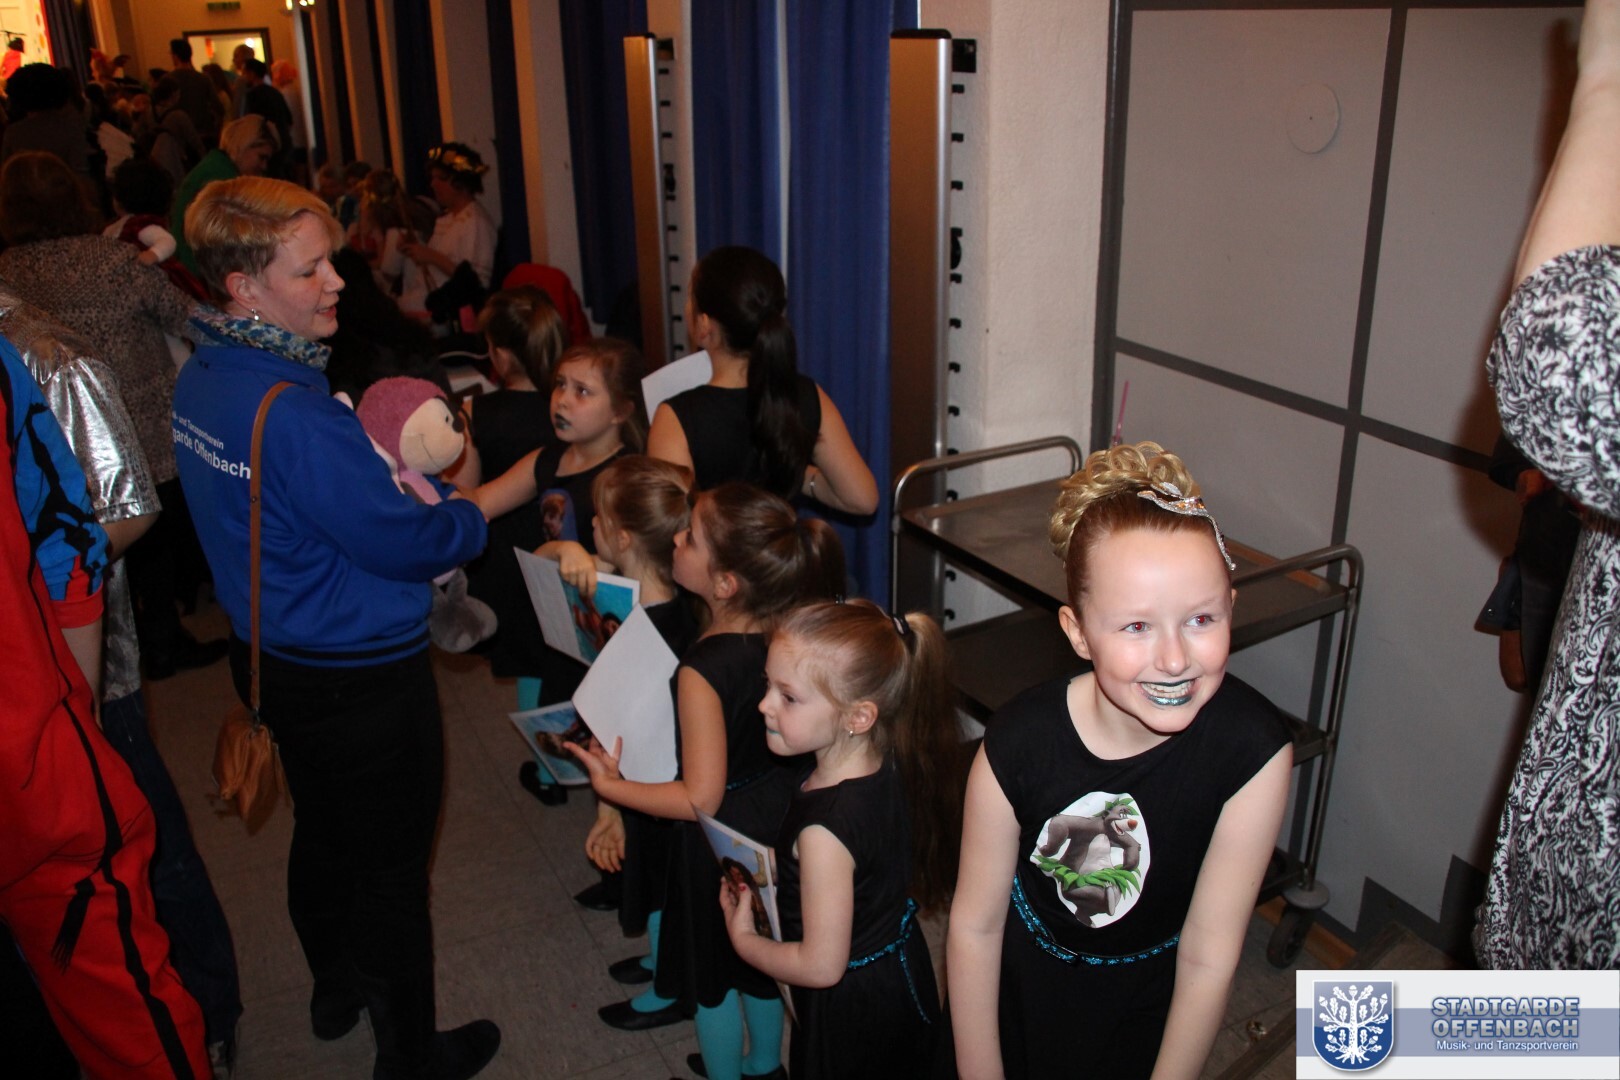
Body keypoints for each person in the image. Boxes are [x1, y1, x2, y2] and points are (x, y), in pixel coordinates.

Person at [171, 176, 500, 1079]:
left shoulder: (205, 376)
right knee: (391, 870)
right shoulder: (300, 416)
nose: (337, 282)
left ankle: (334, 988)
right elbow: (406, 540)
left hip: (267, 653)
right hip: (358, 676)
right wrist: (468, 513)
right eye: (310, 269)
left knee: (321, 831)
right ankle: (410, 1057)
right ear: (244, 286)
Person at [946, 442, 1293, 1080]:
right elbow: (975, 927)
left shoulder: (1252, 753)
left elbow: (1209, 957)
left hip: (1147, 1008)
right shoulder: (1018, 743)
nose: (1174, 659)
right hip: (1022, 993)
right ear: (1078, 632)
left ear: (1231, 606)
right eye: (1136, 627)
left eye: (1201, 619)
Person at [0, 285, 244, 1075]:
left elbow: (99, 524)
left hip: (51, 718)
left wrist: (75, 711)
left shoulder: (38, 350)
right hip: (44, 728)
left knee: (128, 907)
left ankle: (212, 1014)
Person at [569, 482, 844, 1080]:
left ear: (725, 584)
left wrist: (611, 789)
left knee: (713, 978)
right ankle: (765, 1066)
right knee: (762, 957)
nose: (675, 538)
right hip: (779, 815)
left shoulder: (703, 668)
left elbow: (700, 795)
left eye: (690, 537)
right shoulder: (785, 637)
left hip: (721, 840)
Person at [1475, 0, 1620, 970]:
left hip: (1579, 960)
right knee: (1374, 1035)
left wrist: (1607, 80)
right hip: (1555, 938)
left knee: (1371, 1035)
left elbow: (1559, 362)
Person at [0, 150, 221, 680]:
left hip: (53, 441)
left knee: (82, 554)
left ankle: (122, 651)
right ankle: (163, 640)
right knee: (152, 545)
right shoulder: (116, 262)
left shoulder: (7, 275)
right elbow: (189, 317)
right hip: (142, 429)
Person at [722, 599, 961, 1079]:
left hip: (854, 1004)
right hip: (897, 966)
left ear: (858, 716)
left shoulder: (824, 832)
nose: (764, 704)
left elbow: (820, 966)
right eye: (768, 684)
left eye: (788, 697)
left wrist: (745, 942)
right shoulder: (885, 761)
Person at [469, 338, 647, 803]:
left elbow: (638, 560)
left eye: (583, 391)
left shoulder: (629, 475)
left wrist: (592, 560)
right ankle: (555, 775)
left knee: (614, 721)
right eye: (560, 385)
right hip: (556, 618)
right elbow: (480, 502)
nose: (563, 400)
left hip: (610, 630)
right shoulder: (547, 459)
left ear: (621, 411)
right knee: (552, 700)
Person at [647, 246, 878, 514]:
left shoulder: (676, 418)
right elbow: (862, 498)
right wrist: (795, 473)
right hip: (784, 542)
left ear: (705, 326)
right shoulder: (804, 393)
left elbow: (671, 527)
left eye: (690, 298)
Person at [576, 456, 701, 944]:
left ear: (624, 539)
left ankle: (662, 972)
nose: (591, 524)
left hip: (651, 789)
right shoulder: (686, 610)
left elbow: (619, 733)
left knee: (661, 883)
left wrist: (610, 811)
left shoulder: (636, 632)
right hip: (671, 781)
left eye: (600, 519)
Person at [388, 141, 497, 324]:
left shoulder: (475, 222)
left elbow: (475, 285)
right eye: (432, 178)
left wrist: (430, 256)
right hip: (422, 298)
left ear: (459, 182)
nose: (433, 184)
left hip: (445, 312)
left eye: (440, 178)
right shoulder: (447, 218)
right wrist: (414, 248)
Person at [170, 114, 277, 274]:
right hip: (197, 274)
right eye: (262, 157)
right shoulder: (221, 178)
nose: (264, 166)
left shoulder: (216, 167)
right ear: (244, 145)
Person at [167, 38, 223, 146]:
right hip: (204, 134)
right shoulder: (203, 79)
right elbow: (218, 108)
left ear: (175, 56)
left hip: (179, 136)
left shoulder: (168, 80)